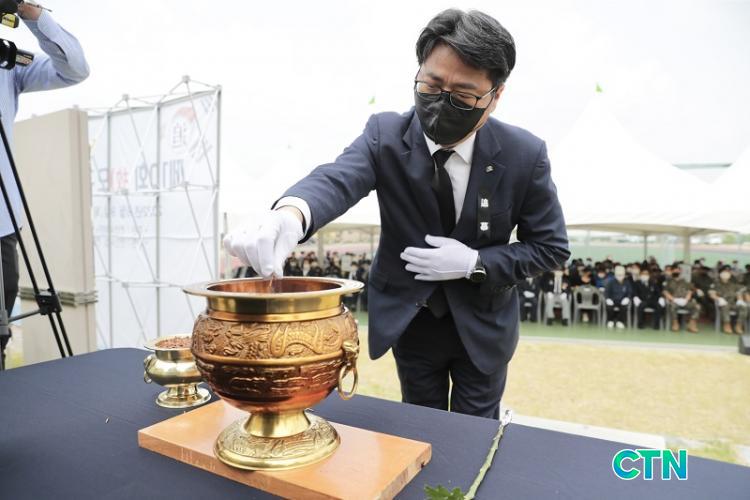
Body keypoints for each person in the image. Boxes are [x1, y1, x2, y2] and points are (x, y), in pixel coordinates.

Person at [223, 9, 569, 419]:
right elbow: (338, 179)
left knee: (476, 430)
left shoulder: (523, 154)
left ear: (495, 96)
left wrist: (475, 263)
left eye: (463, 95)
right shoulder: (385, 135)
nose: (441, 102)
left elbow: (550, 247)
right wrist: (290, 215)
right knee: (419, 424)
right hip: (413, 318)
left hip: (484, 322)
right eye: (431, 85)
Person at [0, 5, 89, 367]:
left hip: (2, 226)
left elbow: (74, 69)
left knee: (0, 336)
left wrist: (29, 11)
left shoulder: (7, 63)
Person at [708, 265, 747, 334]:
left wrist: (740, 299)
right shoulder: (715, 284)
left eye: (728, 271)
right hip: (722, 303)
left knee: (744, 307)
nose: (726, 273)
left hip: (733, 303)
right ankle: (727, 325)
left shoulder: (733, 284)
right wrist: (719, 298)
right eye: (724, 271)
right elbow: (711, 294)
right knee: (725, 306)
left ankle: (738, 325)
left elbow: (743, 289)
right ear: (720, 273)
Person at [663, 265, 700, 333]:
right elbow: (665, 292)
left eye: (678, 270)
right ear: (671, 271)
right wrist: (674, 299)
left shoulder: (685, 281)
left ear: (680, 271)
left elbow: (690, 291)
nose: (676, 271)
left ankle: (691, 324)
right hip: (674, 301)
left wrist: (686, 299)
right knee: (672, 306)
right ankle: (675, 323)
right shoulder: (668, 282)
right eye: (674, 270)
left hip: (685, 301)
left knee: (697, 306)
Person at [604, 265, 631, 329]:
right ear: (615, 275)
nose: (620, 276)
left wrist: (627, 298)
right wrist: (607, 299)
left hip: (622, 300)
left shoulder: (627, 282)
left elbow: (630, 292)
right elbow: (606, 292)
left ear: (624, 275)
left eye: (621, 275)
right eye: (618, 275)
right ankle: (610, 320)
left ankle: (620, 321)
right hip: (612, 300)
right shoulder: (610, 282)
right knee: (609, 307)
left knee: (624, 307)